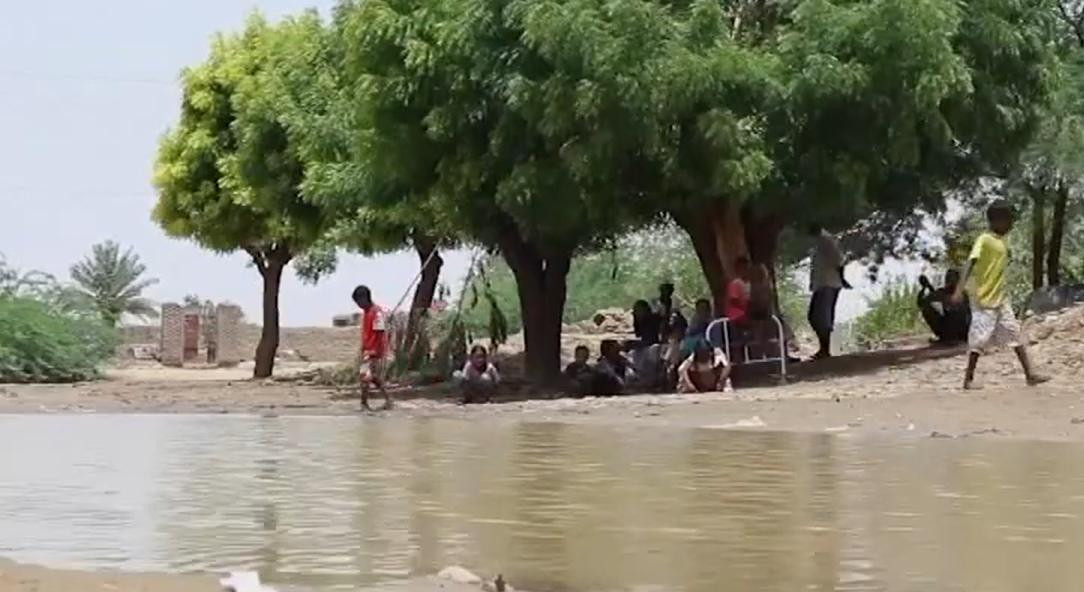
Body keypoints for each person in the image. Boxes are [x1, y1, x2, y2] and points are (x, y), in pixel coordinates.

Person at [951, 202, 1050, 390]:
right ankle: (968, 379)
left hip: (1000, 297)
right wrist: (959, 289)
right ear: (997, 220)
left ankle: (1030, 374)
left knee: (1014, 333)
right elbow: (970, 263)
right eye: (1008, 220)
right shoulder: (984, 239)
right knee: (979, 340)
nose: (1011, 225)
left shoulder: (1002, 240)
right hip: (983, 298)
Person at [807, 224, 852, 359]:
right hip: (821, 284)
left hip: (828, 283)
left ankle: (825, 349)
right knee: (815, 317)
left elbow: (839, 260)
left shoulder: (827, 240)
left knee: (820, 317)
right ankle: (823, 348)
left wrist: (842, 278)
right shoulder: (819, 241)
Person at [353, 285, 391, 411]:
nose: (359, 305)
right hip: (367, 350)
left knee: (365, 377)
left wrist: (374, 351)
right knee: (373, 378)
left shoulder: (376, 312)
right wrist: (363, 349)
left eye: (359, 302)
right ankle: (388, 400)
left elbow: (380, 333)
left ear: (364, 298)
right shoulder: (366, 312)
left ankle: (364, 404)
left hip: (374, 351)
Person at [917, 269, 970, 345]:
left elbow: (922, 302)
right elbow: (922, 303)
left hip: (960, 331)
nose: (951, 281)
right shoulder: (941, 293)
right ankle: (946, 336)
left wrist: (926, 287)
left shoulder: (962, 295)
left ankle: (948, 336)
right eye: (950, 278)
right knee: (927, 308)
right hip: (956, 331)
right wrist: (927, 287)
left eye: (953, 278)